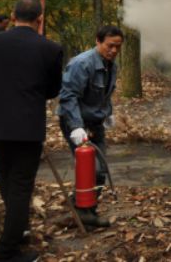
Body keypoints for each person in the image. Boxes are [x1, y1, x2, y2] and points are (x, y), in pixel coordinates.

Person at [0, 0, 63, 262]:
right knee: (19, 185)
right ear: (39, 19)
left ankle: (17, 228)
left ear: (12, 15)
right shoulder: (50, 49)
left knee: (5, 174)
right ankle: (8, 250)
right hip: (27, 126)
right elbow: (53, 90)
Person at [57, 25, 123, 227]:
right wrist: (76, 126)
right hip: (75, 121)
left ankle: (84, 210)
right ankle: (82, 211)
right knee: (90, 168)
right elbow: (68, 97)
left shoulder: (112, 65)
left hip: (95, 122)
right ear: (98, 41)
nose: (113, 51)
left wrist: (108, 114)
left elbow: (104, 94)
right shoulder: (81, 64)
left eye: (117, 47)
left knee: (100, 169)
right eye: (109, 46)